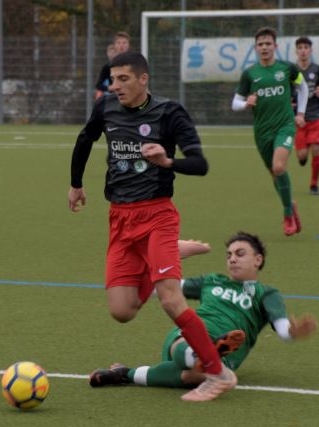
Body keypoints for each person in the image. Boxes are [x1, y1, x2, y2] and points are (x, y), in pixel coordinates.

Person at [68, 51, 237, 402]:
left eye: (123, 79)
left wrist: (167, 161)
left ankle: (219, 373)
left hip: (157, 216)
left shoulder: (169, 113)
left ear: (143, 79)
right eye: (112, 80)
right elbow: (85, 139)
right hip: (119, 218)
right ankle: (168, 255)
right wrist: (76, 184)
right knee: (121, 311)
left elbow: (200, 164)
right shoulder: (106, 107)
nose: (115, 86)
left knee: (171, 300)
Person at [89, 231, 318, 391]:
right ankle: (205, 354)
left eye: (240, 254)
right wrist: (145, 269)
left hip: (227, 356)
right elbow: (163, 287)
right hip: (191, 336)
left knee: (193, 376)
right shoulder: (212, 280)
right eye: (229, 255)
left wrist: (293, 332)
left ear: (258, 259)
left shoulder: (267, 293)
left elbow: (283, 330)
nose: (232, 259)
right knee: (193, 354)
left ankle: (125, 374)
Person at [231, 27, 309, 237]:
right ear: (255, 48)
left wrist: (301, 113)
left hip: (285, 126)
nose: (264, 47)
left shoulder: (287, 68)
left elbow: (303, 87)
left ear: (275, 46)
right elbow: (235, 103)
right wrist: (246, 104)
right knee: (274, 174)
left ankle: (287, 215)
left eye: (268, 44)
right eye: (260, 44)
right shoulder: (250, 74)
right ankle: (290, 204)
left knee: (279, 166)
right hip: (262, 131)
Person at [294, 36, 319, 195]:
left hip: (316, 117)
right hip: (298, 120)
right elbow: (285, 91)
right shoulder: (291, 71)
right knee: (302, 156)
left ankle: (314, 185)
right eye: (300, 48)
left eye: (306, 47)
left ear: (310, 50)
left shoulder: (318, 70)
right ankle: (303, 156)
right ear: (296, 51)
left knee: (316, 150)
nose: (303, 51)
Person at [95, 31, 131, 100]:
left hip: (131, 98)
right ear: (115, 45)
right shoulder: (108, 66)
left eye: (124, 42)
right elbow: (99, 85)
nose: (121, 45)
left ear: (128, 45)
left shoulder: (135, 62)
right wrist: (111, 88)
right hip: (115, 99)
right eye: (119, 43)